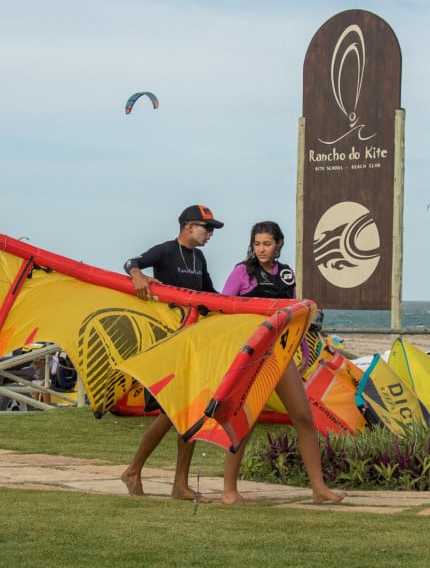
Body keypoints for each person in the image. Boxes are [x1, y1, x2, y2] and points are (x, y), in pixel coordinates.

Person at [220, 220, 345, 505]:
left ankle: (319, 490)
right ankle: (229, 491)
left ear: (279, 244)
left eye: (267, 244)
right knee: (245, 422)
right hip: (250, 358)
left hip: (279, 355)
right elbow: (223, 311)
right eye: (257, 244)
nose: (261, 249)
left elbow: (294, 317)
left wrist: (300, 350)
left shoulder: (286, 275)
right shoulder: (242, 272)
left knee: (303, 418)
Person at [120, 204, 224, 501]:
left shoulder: (199, 257)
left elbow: (210, 294)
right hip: (167, 341)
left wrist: (241, 306)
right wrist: (137, 274)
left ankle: (179, 484)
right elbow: (131, 261)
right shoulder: (165, 251)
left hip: (192, 341)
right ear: (189, 227)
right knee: (173, 411)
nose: (211, 234)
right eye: (208, 228)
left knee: (189, 411)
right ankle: (134, 470)